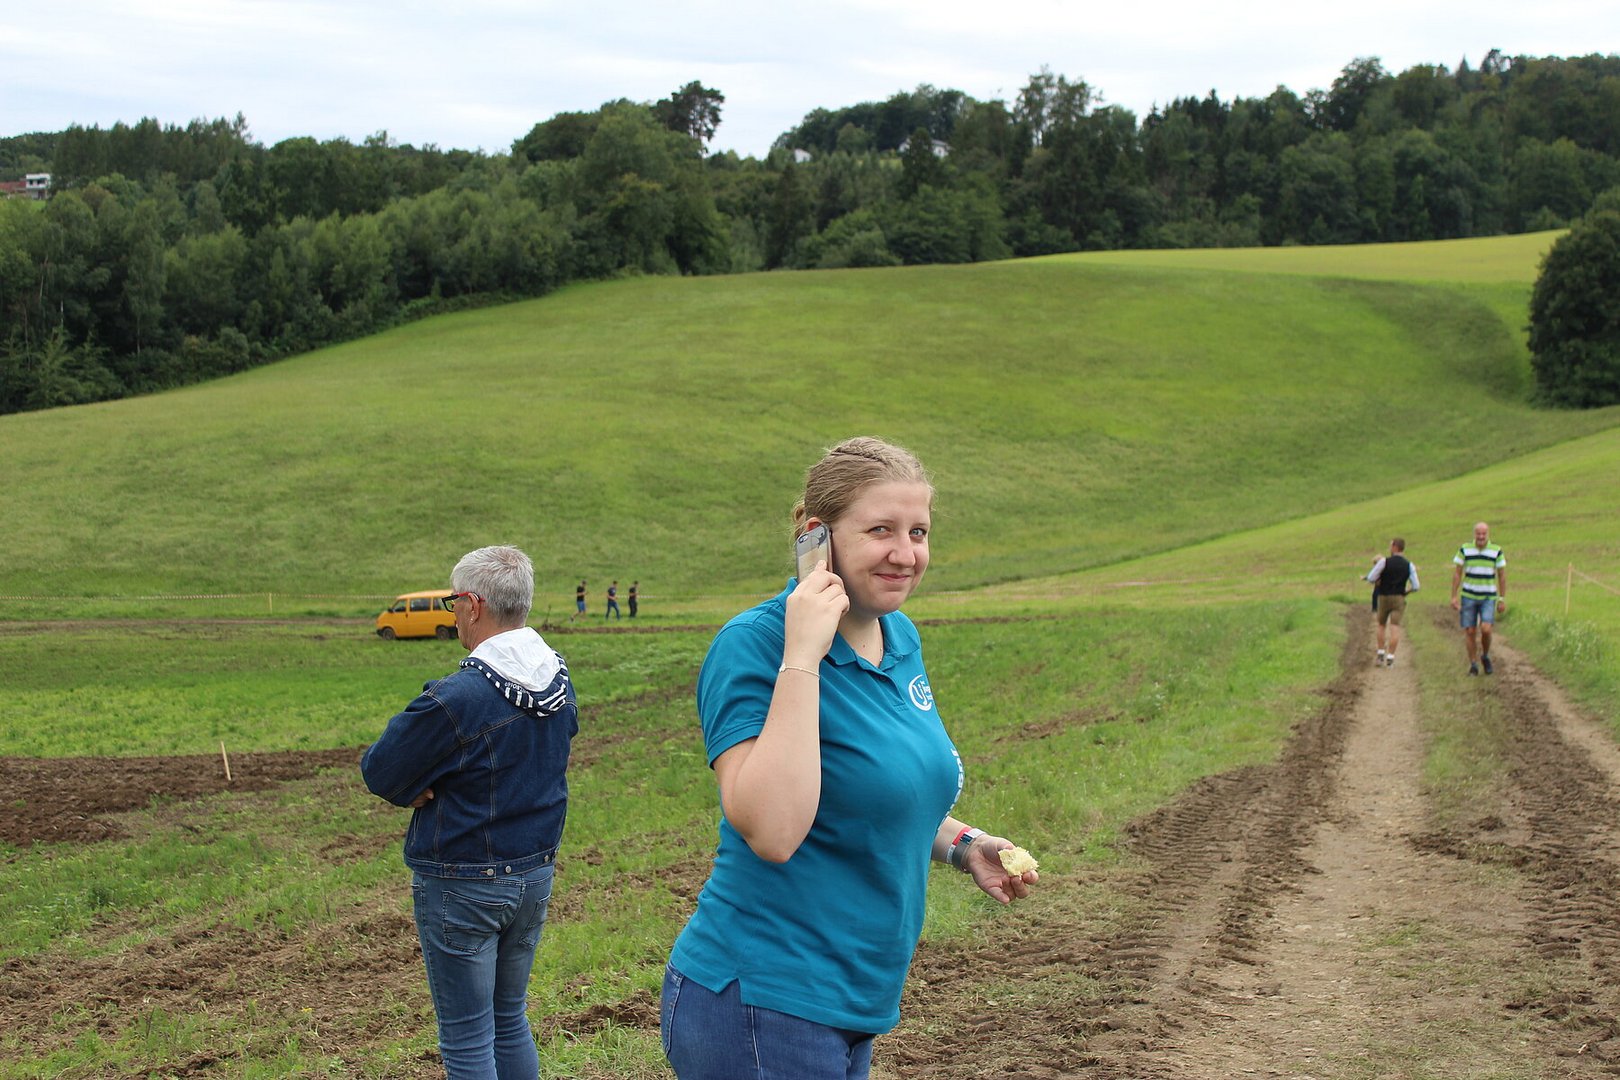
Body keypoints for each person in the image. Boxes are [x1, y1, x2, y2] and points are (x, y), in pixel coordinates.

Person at [660, 436, 1039, 1080]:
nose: (905, 553)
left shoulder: (899, 636)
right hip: (762, 1000)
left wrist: (963, 844)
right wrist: (802, 653)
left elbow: (873, 792)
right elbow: (773, 830)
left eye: (918, 532)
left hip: (854, 999)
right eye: (880, 530)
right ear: (818, 538)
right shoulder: (754, 645)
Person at [361, 546, 578, 1080]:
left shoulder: (457, 698)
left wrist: (416, 786)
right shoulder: (557, 679)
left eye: (452, 600)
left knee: (466, 1038)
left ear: (474, 605)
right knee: (509, 1020)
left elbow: (381, 770)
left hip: (463, 881)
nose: (452, 610)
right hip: (534, 874)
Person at [1451, 521, 1507, 675]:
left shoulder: (1496, 551)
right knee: (1470, 631)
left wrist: (1501, 598)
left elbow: (1502, 576)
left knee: (1486, 629)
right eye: (1478, 533)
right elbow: (1457, 573)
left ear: (1488, 534)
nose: (1481, 537)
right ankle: (1473, 664)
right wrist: (1454, 596)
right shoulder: (1465, 549)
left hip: (1488, 596)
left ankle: (1485, 655)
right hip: (1469, 595)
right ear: (1474, 534)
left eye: (1484, 534)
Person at [1364, 538, 1419, 666]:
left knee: (1381, 624)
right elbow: (1416, 586)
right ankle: (1391, 656)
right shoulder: (1409, 565)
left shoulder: (1384, 562)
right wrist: (1407, 592)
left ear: (1395, 547)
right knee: (1395, 626)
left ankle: (1380, 654)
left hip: (1384, 596)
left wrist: (1379, 581)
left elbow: (1371, 577)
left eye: (1390, 545)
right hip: (1399, 597)